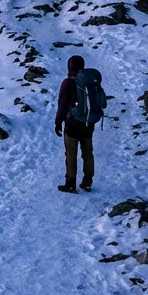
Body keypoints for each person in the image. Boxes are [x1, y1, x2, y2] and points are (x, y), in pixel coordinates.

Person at [54, 55, 94, 193]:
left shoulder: (67, 83)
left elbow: (62, 105)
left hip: (72, 124)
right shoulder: (90, 81)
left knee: (71, 154)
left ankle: (71, 184)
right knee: (88, 153)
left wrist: (58, 122)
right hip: (88, 123)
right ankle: (87, 182)